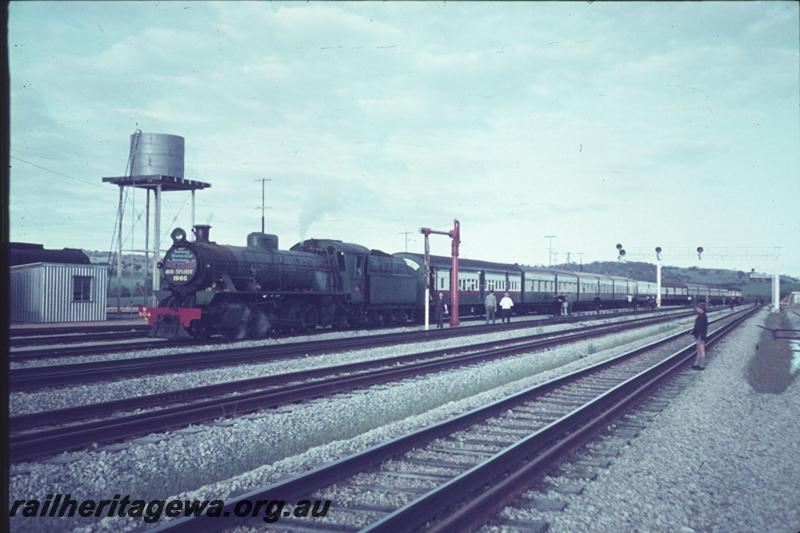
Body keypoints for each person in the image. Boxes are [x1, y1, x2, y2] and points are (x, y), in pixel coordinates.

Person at [691, 302, 708, 370]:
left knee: (702, 350)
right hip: (699, 335)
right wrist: (693, 331)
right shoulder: (701, 316)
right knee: (698, 350)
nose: (697, 309)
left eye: (698, 308)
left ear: (701, 309)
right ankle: (697, 363)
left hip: (701, 335)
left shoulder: (703, 317)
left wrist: (694, 331)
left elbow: (700, 327)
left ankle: (702, 365)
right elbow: (697, 326)